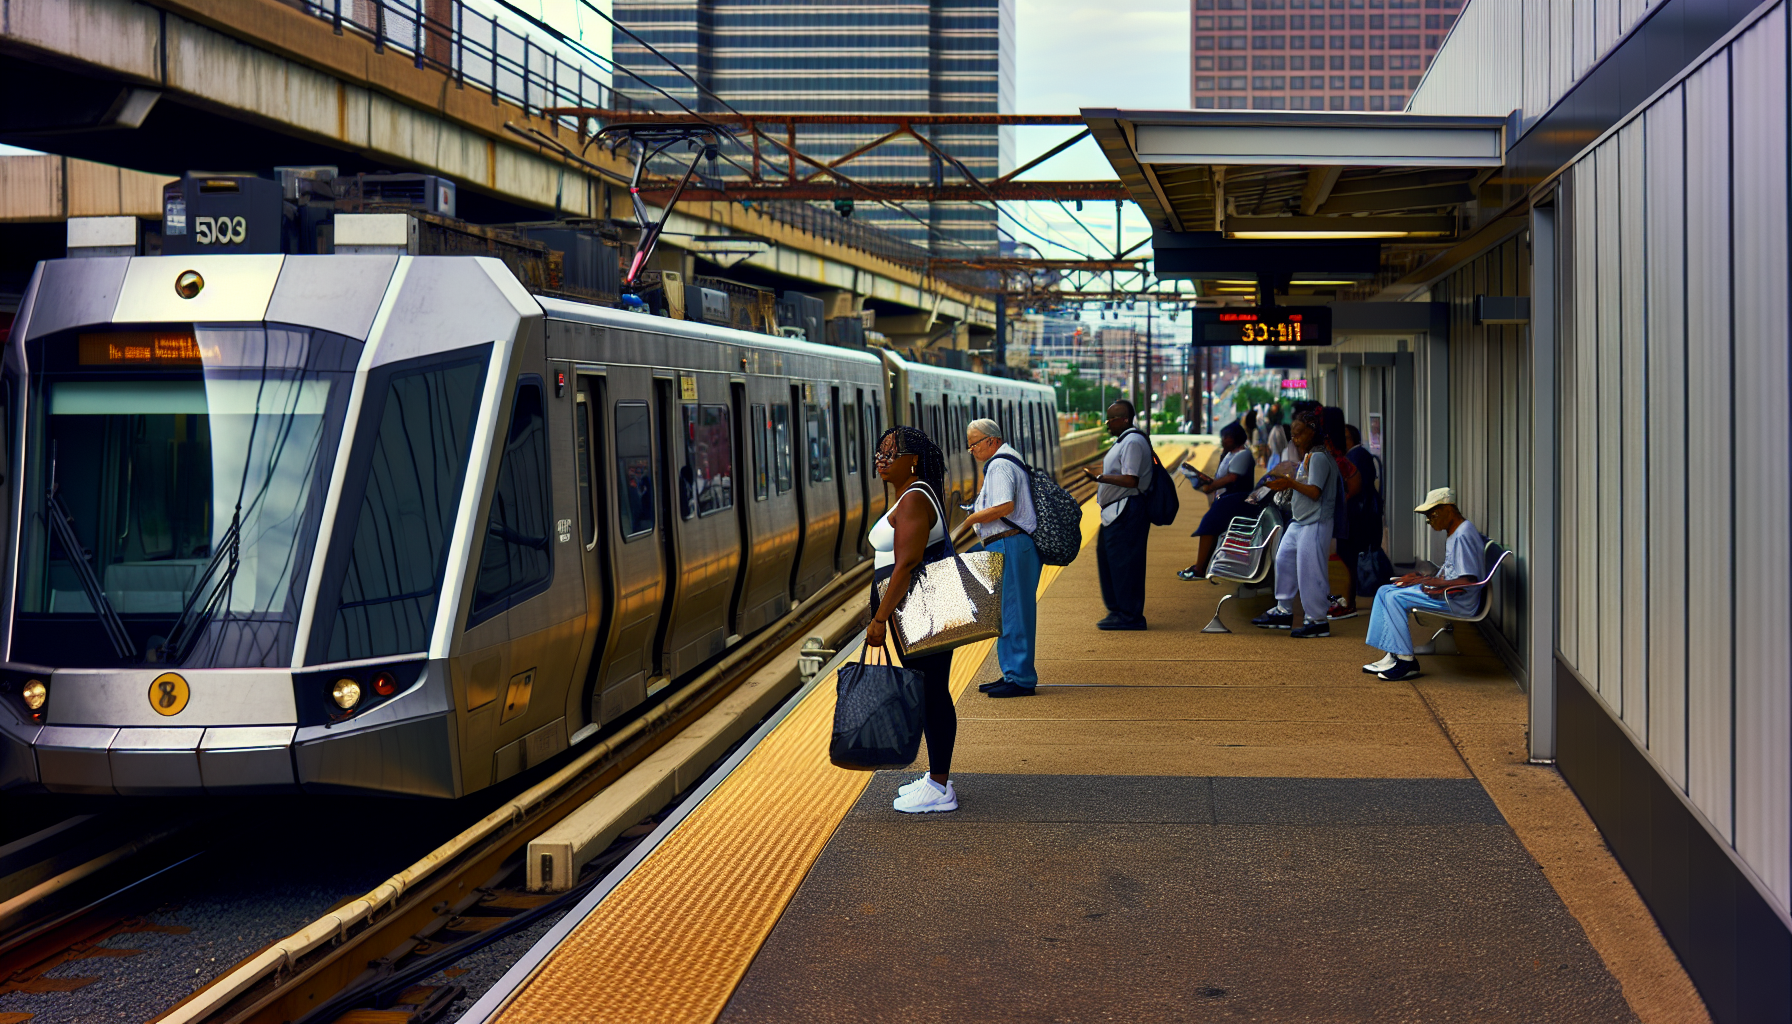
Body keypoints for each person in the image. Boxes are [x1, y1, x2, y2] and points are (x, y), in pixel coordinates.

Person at [869, 425, 959, 813]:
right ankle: (936, 778)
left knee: (932, 693)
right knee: (928, 691)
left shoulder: (913, 500)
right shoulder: (912, 495)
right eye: (880, 452)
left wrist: (879, 618)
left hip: (921, 610)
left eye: (892, 453)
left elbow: (905, 564)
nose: (882, 460)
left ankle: (940, 788)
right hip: (917, 610)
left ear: (914, 461)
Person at [1363, 487, 1487, 680]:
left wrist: (1428, 581)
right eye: (1428, 516)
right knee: (1384, 590)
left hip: (1457, 600)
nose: (1430, 521)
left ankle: (1406, 662)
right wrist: (1420, 578)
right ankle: (1393, 653)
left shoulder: (1463, 534)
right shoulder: (1455, 531)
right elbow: (1451, 571)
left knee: (1395, 598)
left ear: (1449, 509)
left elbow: (1467, 580)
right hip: (1447, 592)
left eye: (1433, 514)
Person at [964, 417, 1041, 698]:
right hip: (1009, 545)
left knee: (1013, 613)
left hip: (1009, 544)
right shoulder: (1007, 459)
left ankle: (1020, 678)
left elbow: (1005, 505)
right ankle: (1011, 672)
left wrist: (971, 518)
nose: (972, 450)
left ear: (991, 441)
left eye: (974, 445)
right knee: (1007, 614)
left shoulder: (999, 465)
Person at [1253, 410, 1336, 638]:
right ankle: (1283, 610)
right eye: (1293, 433)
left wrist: (1290, 482)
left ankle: (1318, 620)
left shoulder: (1319, 457)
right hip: (1301, 520)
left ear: (1313, 432)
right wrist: (1287, 484)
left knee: (1311, 571)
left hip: (1315, 522)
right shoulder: (1309, 456)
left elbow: (1315, 491)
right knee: (1284, 559)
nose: (1295, 438)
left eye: (1299, 433)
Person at [1081, 399, 1154, 630]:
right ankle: (1117, 610)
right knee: (1109, 558)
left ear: (1124, 419)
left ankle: (1130, 615)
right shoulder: (1124, 441)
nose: (1107, 424)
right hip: (1116, 511)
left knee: (1125, 563)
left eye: (1111, 419)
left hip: (1127, 509)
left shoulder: (1132, 441)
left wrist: (1099, 478)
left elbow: (1131, 479)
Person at [1177, 422, 1255, 580]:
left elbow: (1232, 477)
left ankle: (1199, 569)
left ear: (1236, 438)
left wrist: (1210, 486)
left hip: (1237, 499)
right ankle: (1203, 565)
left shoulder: (1243, 454)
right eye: (1223, 437)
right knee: (1211, 525)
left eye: (1228, 437)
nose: (1224, 440)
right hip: (1228, 499)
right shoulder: (1230, 454)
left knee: (1209, 524)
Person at [1333, 423, 1383, 618]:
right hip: (1362, 513)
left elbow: (1355, 488)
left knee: (1350, 556)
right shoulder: (1360, 455)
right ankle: (1349, 598)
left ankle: (1350, 600)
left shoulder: (1356, 456)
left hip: (1358, 515)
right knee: (1349, 555)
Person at [1321, 406, 1363, 618]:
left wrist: (1337, 502)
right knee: (1343, 557)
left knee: (1345, 558)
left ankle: (1348, 603)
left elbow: (1354, 485)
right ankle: (1345, 600)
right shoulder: (1338, 455)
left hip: (1345, 515)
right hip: (1343, 513)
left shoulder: (1336, 457)